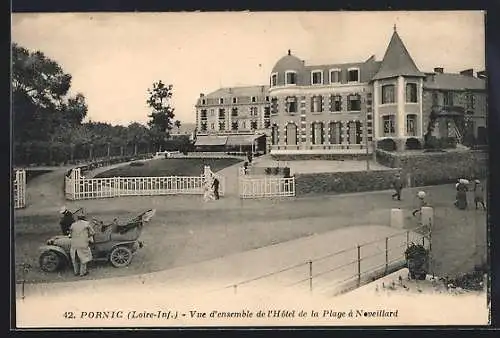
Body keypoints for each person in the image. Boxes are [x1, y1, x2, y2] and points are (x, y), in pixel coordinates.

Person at [69, 211, 95, 277]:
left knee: (75, 259)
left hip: (74, 244)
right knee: (84, 258)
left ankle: (76, 272)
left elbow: (70, 235)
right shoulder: (86, 224)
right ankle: (82, 272)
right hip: (83, 243)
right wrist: (88, 235)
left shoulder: (73, 224)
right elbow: (92, 232)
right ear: (84, 218)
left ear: (77, 218)